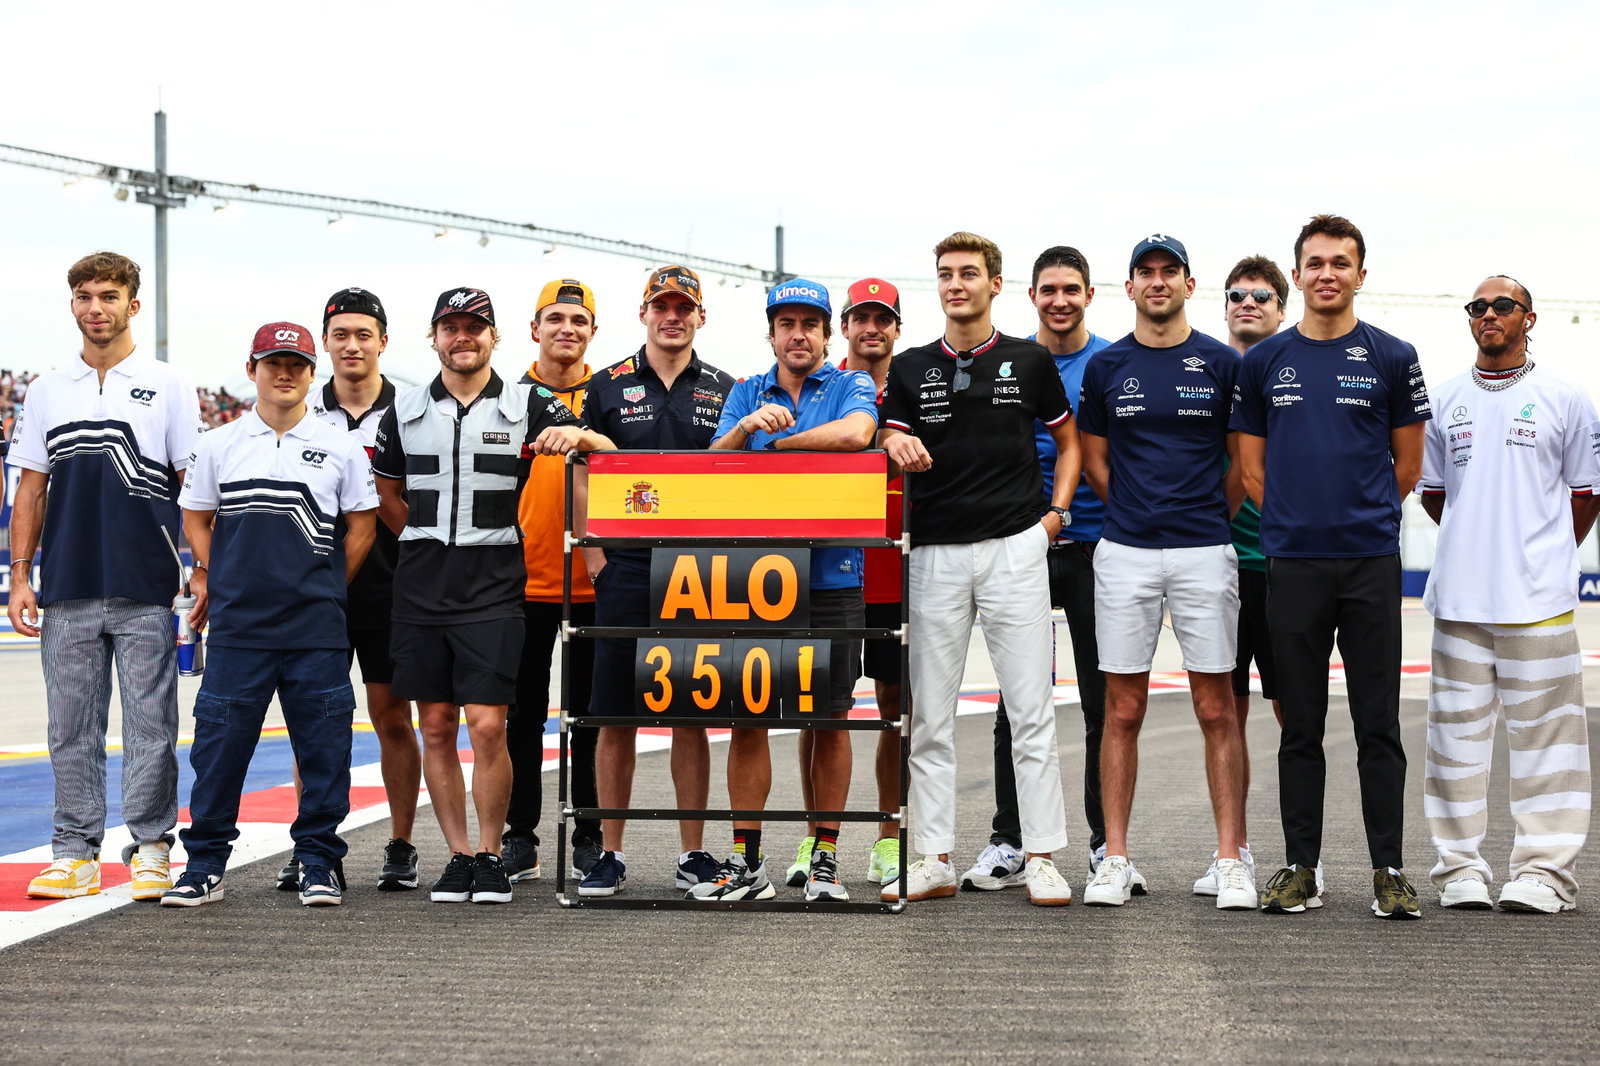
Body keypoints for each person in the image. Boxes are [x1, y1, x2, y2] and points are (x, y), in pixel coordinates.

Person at [372, 287, 612, 904]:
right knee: (434, 723)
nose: (463, 338)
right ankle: (457, 855)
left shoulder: (528, 402)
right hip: (422, 582)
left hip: (496, 581)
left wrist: (576, 440)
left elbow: (611, 454)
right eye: (450, 328)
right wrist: (427, 544)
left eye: (475, 328)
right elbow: (388, 495)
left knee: (487, 725)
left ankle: (490, 850)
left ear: (494, 337)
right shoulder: (401, 411)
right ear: (434, 338)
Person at [1231, 214, 1432, 919]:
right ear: (1299, 272)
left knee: (1379, 723)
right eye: (1314, 263)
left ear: (1360, 274)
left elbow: (1407, 466)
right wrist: (1296, 524)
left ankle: (1390, 870)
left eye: (1340, 263)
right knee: (1301, 724)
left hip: (1371, 561)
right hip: (1294, 564)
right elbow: (1251, 470)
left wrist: (1358, 517)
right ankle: (1300, 867)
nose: (1326, 274)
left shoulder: (1393, 355)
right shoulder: (1264, 363)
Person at [879, 231, 1078, 907]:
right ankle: (932, 857)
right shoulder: (907, 368)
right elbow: (886, 430)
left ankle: (1042, 856)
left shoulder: (1029, 359)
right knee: (930, 716)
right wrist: (891, 433)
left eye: (969, 273)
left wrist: (1054, 516)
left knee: (1031, 710)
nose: (956, 284)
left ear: (995, 284)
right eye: (945, 274)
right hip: (933, 552)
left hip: (1015, 548)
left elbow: (1068, 438)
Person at [160, 323, 378, 907]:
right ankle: (204, 864)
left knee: (325, 750)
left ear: (313, 372)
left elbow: (361, 527)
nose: (285, 373)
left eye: (297, 364)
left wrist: (330, 585)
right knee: (220, 750)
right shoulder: (218, 443)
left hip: (316, 628)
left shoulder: (341, 445)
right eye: (273, 362)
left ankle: (318, 861)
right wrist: (224, 575)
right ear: (252, 368)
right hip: (239, 629)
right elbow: (196, 517)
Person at [11, 252, 200, 901]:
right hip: (65, 583)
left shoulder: (169, 384)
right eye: (85, 296)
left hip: (146, 582)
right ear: (73, 305)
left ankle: (150, 847)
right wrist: (19, 575)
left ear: (132, 305)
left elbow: (192, 487)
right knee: (70, 727)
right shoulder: (46, 389)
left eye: (109, 296)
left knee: (152, 725)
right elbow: (31, 487)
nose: (96, 307)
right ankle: (74, 852)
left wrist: (199, 569)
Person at [1076, 235, 1250, 910]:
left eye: (1167, 272)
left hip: (1205, 548)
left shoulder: (1219, 363)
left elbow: (1239, 466)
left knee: (1216, 707)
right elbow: (1095, 462)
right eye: (1144, 273)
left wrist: (1201, 515)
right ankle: (1114, 857)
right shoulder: (1107, 366)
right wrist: (1139, 515)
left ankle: (1230, 857)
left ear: (1187, 282)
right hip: (1125, 551)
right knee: (1122, 708)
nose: (1157, 282)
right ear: (1130, 288)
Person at [1419, 276, 1600, 913]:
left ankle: (1544, 873)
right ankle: (1460, 869)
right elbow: (1435, 494)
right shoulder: (1442, 401)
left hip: (1541, 601)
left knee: (1549, 741)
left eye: (1502, 306)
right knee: (1453, 741)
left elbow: (1587, 493)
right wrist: (1480, 540)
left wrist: (1543, 552)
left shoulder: (1565, 398)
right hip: (1461, 601)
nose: (1488, 315)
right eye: (1477, 307)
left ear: (1529, 319)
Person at [699, 278, 877, 903]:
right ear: (771, 333)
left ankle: (825, 856)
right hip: (754, 575)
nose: (797, 334)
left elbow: (856, 436)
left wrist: (774, 444)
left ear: (827, 334)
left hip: (832, 575)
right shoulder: (746, 391)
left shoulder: (852, 383)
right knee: (748, 720)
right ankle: (747, 862)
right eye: (786, 323)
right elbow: (709, 469)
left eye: (810, 323)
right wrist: (744, 426)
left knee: (830, 720)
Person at [576, 265, 732, 898]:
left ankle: (692, 852)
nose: (673, 316)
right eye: (661, 306)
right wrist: (592, 551)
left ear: (700, 317)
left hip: (698, 569)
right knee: (615, 715)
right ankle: (610, 852)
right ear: (643, 313)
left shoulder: (727, 387)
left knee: (690, 714)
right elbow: (581, 468)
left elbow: (739, 479)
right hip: (626, 564)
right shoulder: (604, 386)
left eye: (684, 308)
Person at [964, 245, 1115, 893]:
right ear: (1030, 296)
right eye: (1048, 289)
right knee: (1017, 702)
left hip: (1095, 549)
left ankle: (1108, 844)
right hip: (1019, 549)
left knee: (1103, 703)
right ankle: (1008, 838)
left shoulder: (1110, 362)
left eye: (1071, 289)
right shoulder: (1010, 363)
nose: (1060, 300)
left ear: (1088, 294)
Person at [300, 286, 422, 894]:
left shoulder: (415, 407)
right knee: (313, 722)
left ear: (382, 341)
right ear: (325, 342)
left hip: (394, 590)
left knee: (390, 716)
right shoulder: (299, 409)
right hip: (317, 587)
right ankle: (311, 847)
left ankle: (400, 843)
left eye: (363, 334)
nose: (352, 345)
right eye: (340, 334)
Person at [1191, 255, 1289, 900]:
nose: (1247, 302)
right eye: (1236, 295)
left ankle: (1301, 854)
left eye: (1261, 295)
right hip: (1219, 568)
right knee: (1224, 713)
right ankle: (1238, 852)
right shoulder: (1211, 375)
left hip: (1286, 569)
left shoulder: (1297, 373)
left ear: (1283, 307)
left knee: (1296, 716)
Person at [504, 278, 604, 882]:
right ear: (534, 329)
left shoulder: (614, 395)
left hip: (595, 582)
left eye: (579, 320)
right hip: (522, 582)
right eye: (555, 319)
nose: (567, 329)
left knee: (590, 715)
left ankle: (589, 831)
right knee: (522, 714)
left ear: (593, 331)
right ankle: (521, 834)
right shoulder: (506, 398)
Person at [815, 277, 907, 902]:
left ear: (897, 327)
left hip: (901, 572)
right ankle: (815, 841)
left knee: (897, 715)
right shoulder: (818, 385)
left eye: (884, 318)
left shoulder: (921, 380)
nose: (871, 328)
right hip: (826, 575)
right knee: (820, 713)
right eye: (860, 318)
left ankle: (889, 837)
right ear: (843, 328)